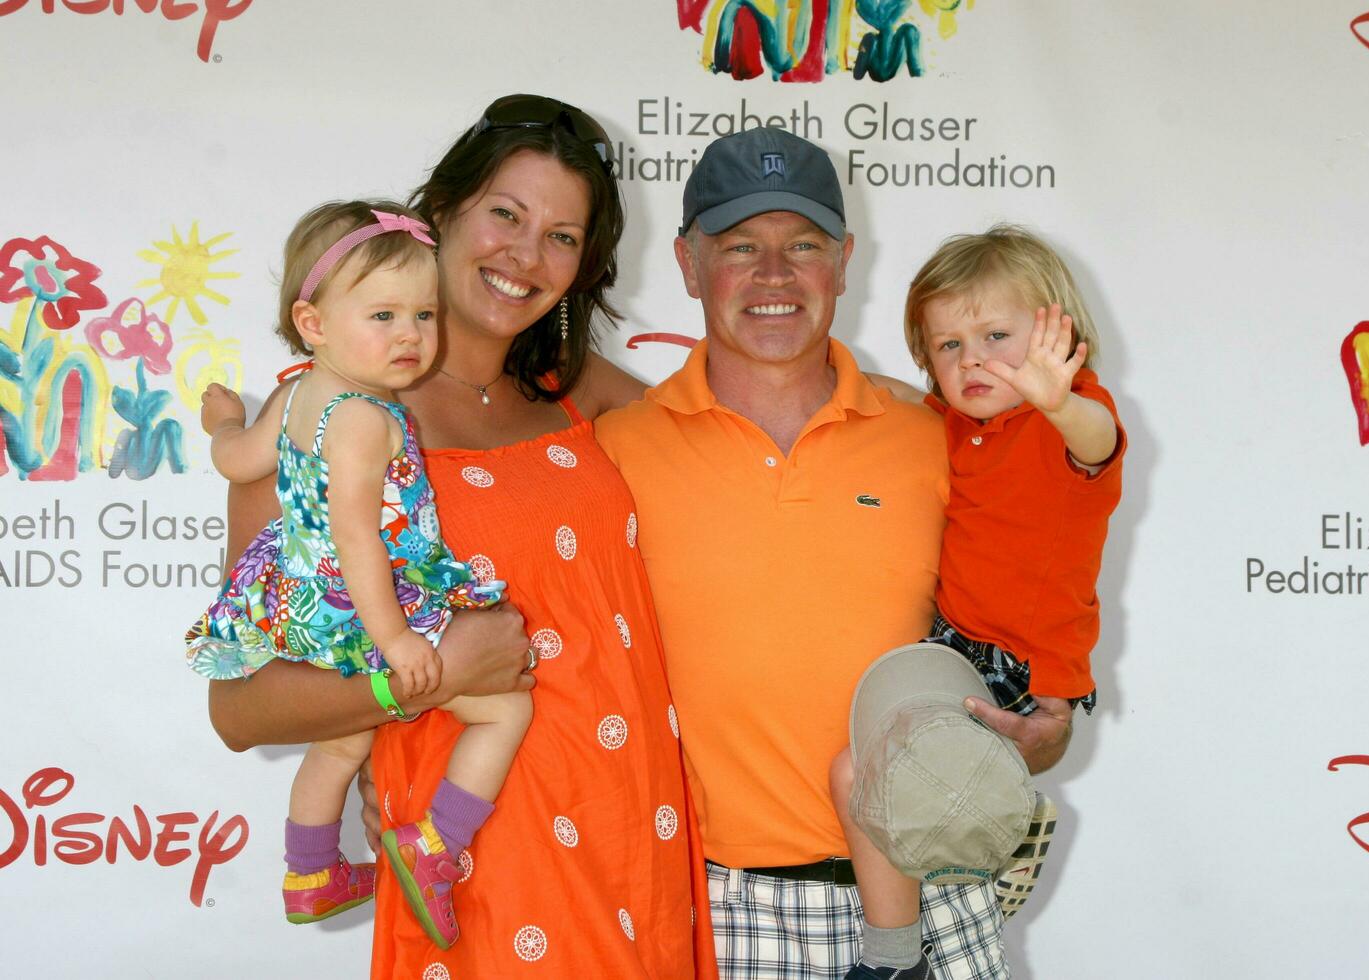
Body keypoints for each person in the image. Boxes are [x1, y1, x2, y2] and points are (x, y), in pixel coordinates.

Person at [209, 95, 717, 979]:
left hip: (637, 827)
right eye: (506, 215)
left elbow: (732, 455)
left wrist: (902, 401)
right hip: (472, 856)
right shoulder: (322, 419)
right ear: (437, 216)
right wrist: (429, 674)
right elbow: (240, 708)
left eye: (563, 236)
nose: (527, 256)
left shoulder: (576, 390)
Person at [596, 127, 1068, 979]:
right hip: (722, 910)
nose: (774, 276)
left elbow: (1034, 606)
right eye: (741, 246)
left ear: (844, 261)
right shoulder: (615, 452)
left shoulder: (939, 440)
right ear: (687, 262)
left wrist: (1044, 721)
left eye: (802, 246)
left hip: (935, 900)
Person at [186, 200, 532, 948]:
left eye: (424, 314)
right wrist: (400, 641)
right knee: (505, 711)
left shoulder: (292, 397)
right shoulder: (367, 419)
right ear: (314, 324)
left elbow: (236, 459)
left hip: (298, 605)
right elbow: (358, 538)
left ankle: (310, 870)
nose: (410, 335)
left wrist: (220, 419)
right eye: (383, 316)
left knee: (343, 743)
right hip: (357, 605)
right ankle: (435, 847)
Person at [828, 227, 1126, 979]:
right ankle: (981, 853)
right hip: (952, 642)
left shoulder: (1066, 420)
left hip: (1016, 665)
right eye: (949, 346)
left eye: (998, 336)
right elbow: (898, 397)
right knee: (868, 776)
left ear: (1058, 338)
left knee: (861, 777)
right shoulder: (961, 425)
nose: (975, 360)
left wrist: (1059, 401)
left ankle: (900, 948)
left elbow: (1097, 442)